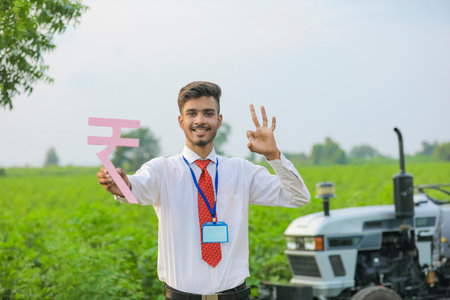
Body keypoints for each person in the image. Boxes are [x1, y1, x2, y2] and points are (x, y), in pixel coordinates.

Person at [96, 81, 310, 300]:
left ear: (218, 120)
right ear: (181, 121)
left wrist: (273, 156)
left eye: (208, 113)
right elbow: (135, 188)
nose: (200, 120)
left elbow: (298, 197)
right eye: (192, 113)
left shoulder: (241, 171)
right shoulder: (162, 171)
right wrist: (120, 184)